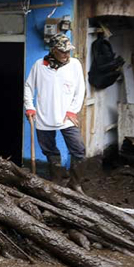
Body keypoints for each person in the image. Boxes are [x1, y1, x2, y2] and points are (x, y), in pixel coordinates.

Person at [24, 33, 86, 183]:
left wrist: (73, 110)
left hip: (67, 116)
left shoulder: (75, 65)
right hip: (43, 116)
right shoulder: (40, 65)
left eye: (68, 51)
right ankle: (56, 182)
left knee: (78, 150)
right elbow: (28, 87)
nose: (66, 54)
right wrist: (30, 107)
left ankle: (74, 184)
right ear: (53, 50)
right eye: (62, 51)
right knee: (49, 150)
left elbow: (81, 89)